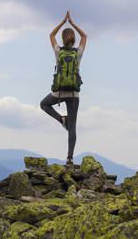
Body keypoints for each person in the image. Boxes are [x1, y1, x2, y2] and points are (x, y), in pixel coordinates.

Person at [40, 11, 87, 165]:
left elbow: (51, 35)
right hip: (74, 94)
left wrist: (63, 22)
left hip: (59, 92)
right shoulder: (78, 53)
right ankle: (70, 158)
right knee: (72, 128)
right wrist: (72, 23)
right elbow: (85, 36)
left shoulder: (58, 51)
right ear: (74, 40)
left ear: (63, 39)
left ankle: (61, 119)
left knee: (44, 104)